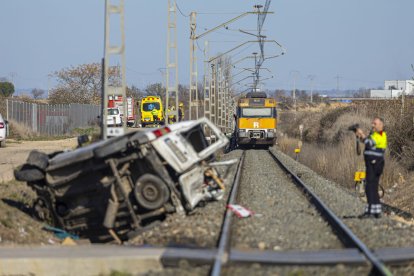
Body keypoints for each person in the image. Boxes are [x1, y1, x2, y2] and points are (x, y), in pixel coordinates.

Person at [355, 117, 387, 219]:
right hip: (373, 164)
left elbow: (369, 142)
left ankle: (370, 212)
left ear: (381, 125)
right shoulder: (375, 135)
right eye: (372, 123)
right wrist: (360, 137)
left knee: (370, 187)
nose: (373, 125)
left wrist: (362, 134)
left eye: (375, 123)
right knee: (372, 187)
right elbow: (368, 143)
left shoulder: (381, 135)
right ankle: (376, 211)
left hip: (375, 164)